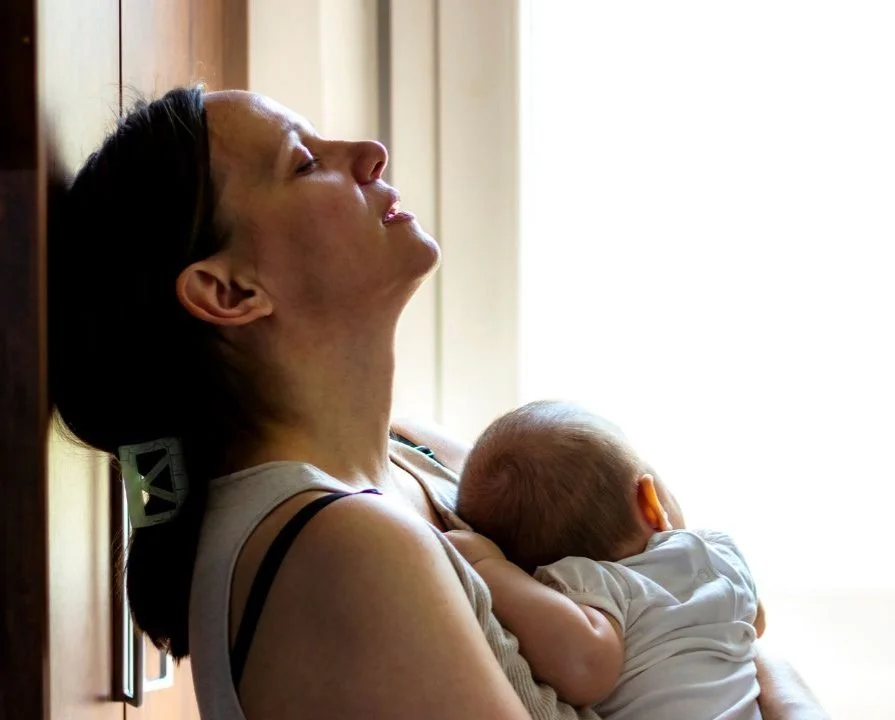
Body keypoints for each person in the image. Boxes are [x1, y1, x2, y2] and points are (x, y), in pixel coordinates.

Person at [46, 85, 828, 720]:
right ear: (229, 291)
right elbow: (720, 633)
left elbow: (683, 598)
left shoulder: (417, 456)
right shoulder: (343, 548)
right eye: (301, 161)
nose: (365, 153)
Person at [449, 400, 766, 719]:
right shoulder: (717, 552)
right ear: (651, 503)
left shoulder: (593, 587)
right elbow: (756, 622)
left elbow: (585, 670)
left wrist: (487, 567)